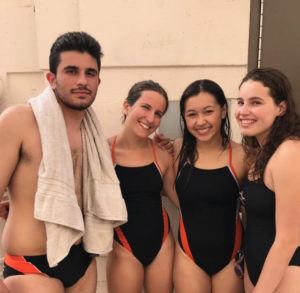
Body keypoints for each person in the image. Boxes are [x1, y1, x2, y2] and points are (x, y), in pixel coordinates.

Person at [0, 31, 128, 292]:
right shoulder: (18, 120)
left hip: (80, 261)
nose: (82, 80)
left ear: (98, 80)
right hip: (32, 265)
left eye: (90, 73)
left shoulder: (92, 135)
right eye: (71, 71)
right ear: (51, 78)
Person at [173, 79, 247, 293]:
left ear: (223, 110)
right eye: (192, 114)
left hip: (231, 254)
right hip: (188, 255)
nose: (201, 121)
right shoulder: (176, 151)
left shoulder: (243, 156)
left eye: (208, 111)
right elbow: (163, 185)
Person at [106, 80, 178, 293]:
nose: (151, 118)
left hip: (162, 243)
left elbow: (181, 198)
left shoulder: (162, 154)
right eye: (146, 107)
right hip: (122, 245)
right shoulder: (103, 152)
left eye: (158, 113)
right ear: (127, 106)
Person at [235, 68, 300, 293]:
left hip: (286, 273)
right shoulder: (262, 152)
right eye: (240, 101)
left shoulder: (290, 152)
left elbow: (289, 239)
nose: (243, 111)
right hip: (256, 268)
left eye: (255, 102)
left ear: (281, 108)